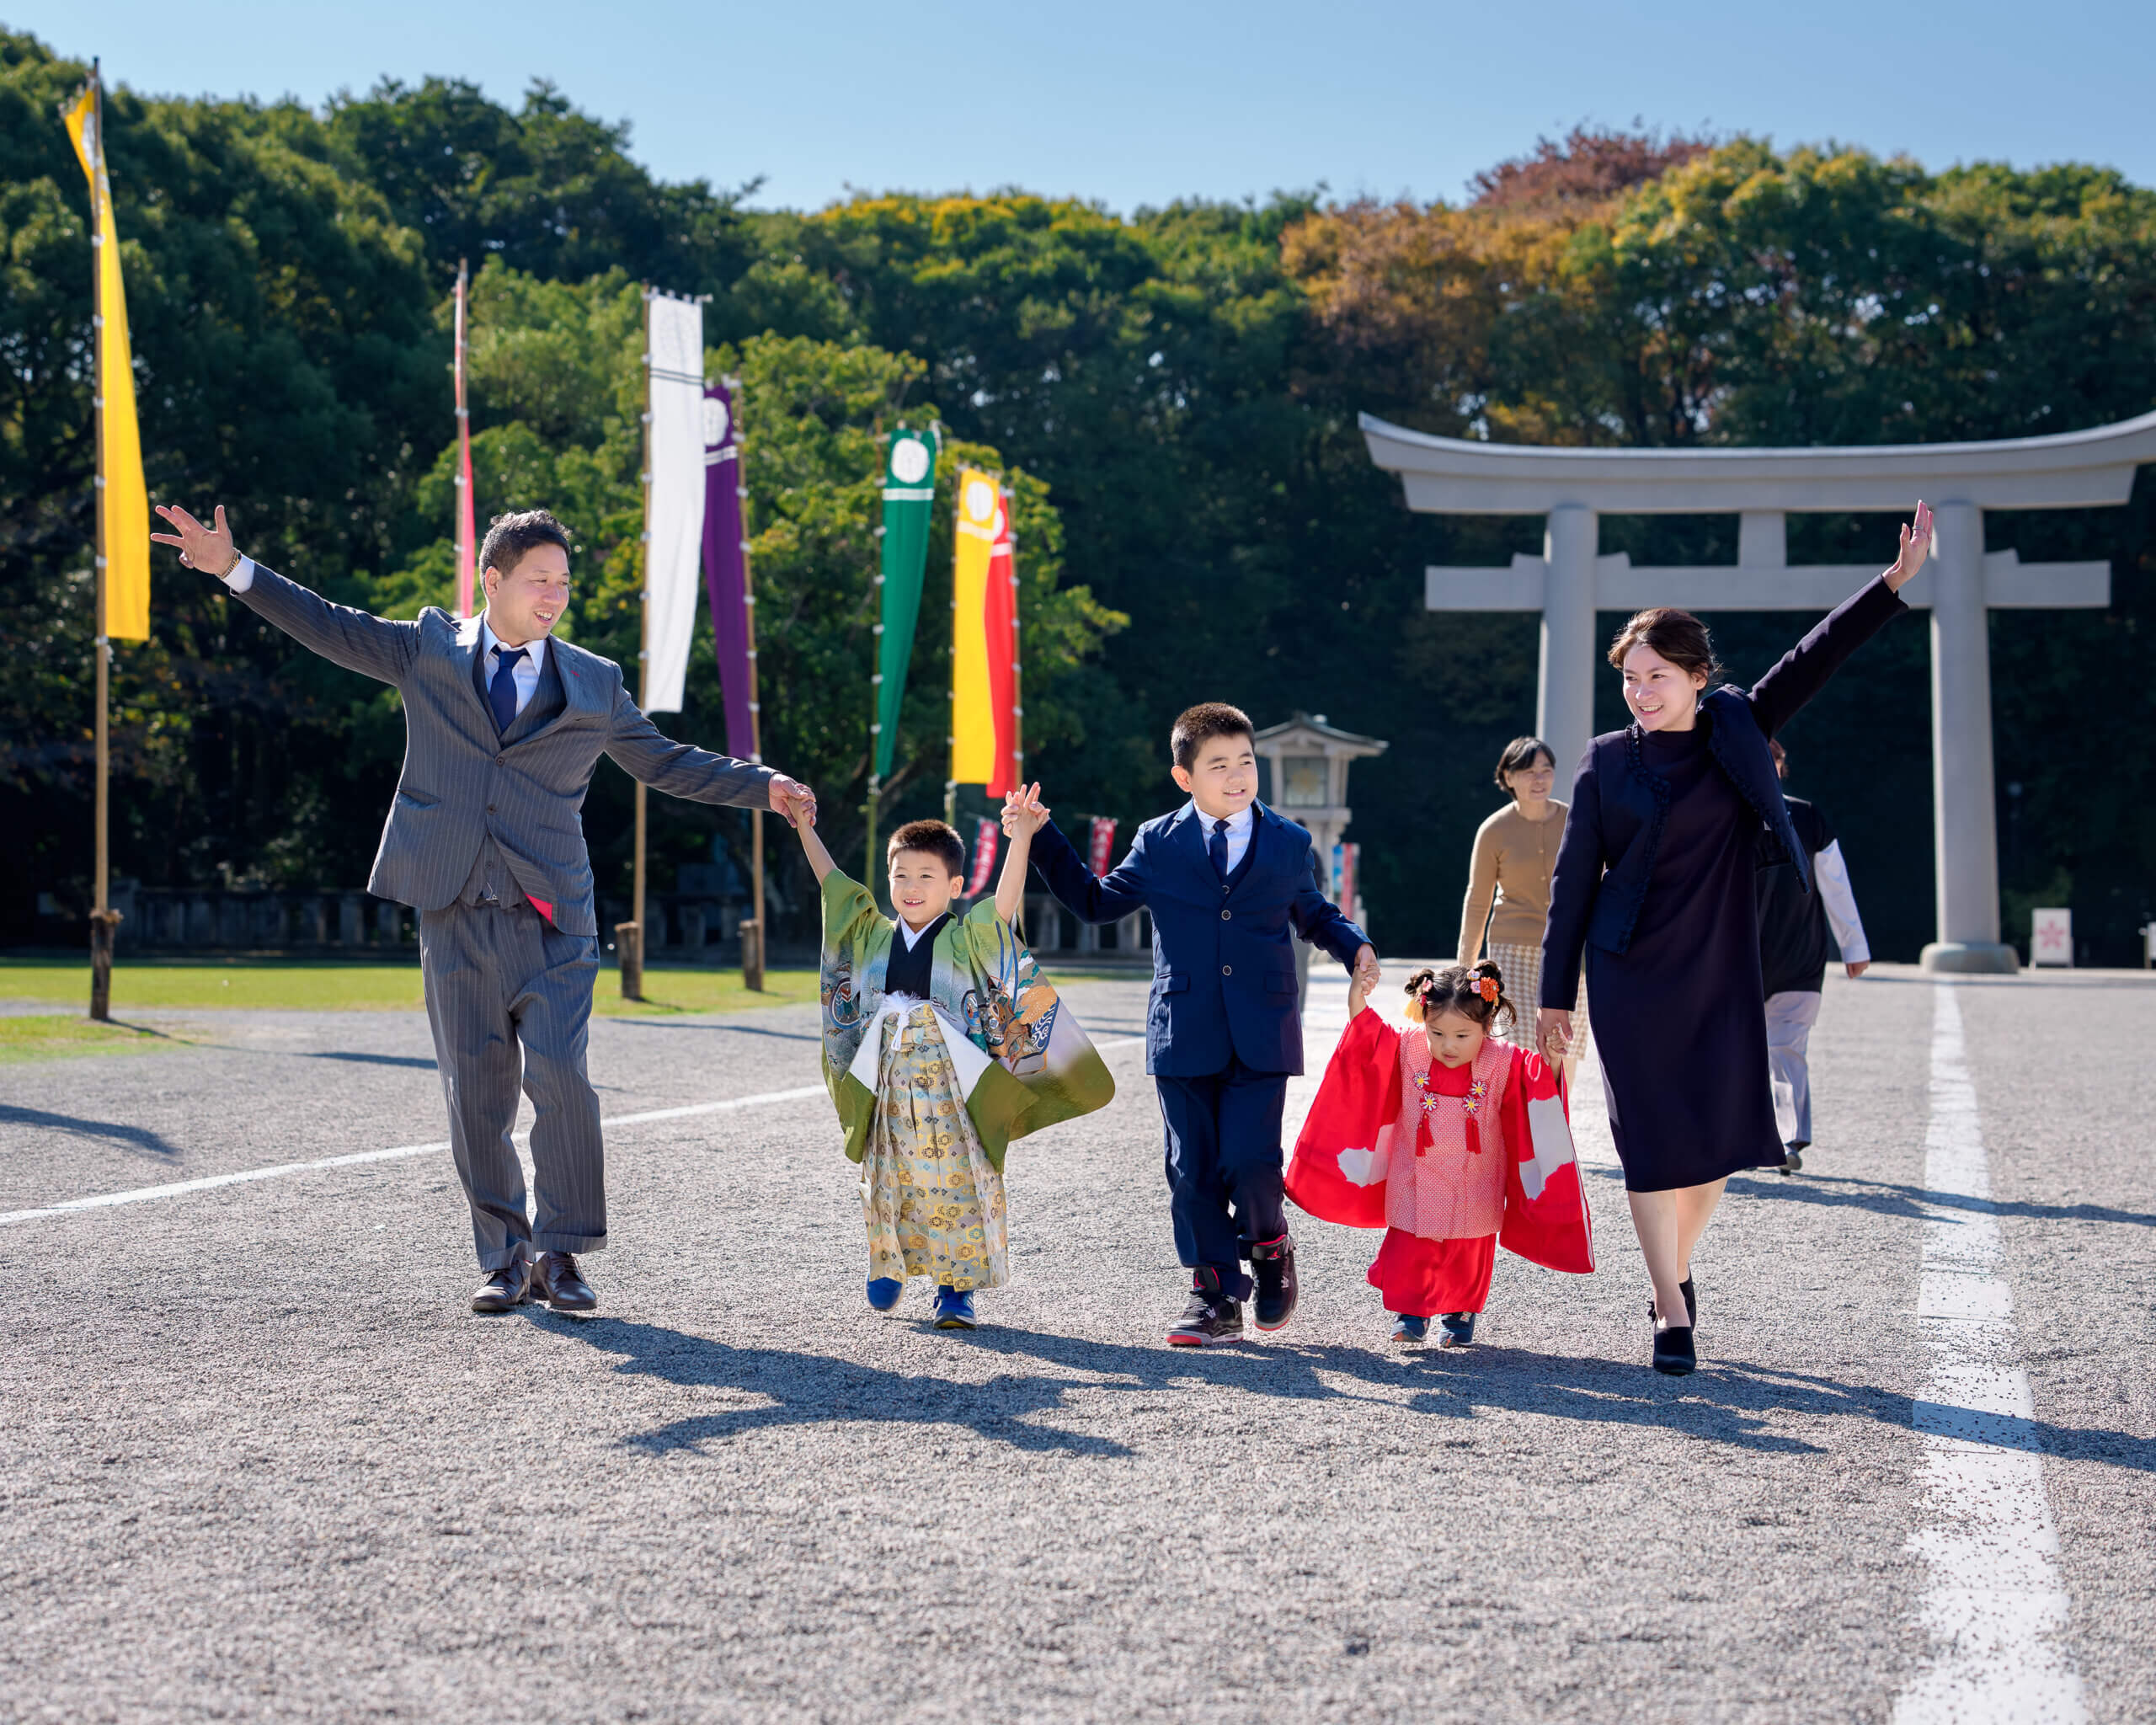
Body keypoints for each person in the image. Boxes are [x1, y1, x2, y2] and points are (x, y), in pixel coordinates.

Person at [151, 503, 816, 1316]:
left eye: (564, 582)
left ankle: (562, 1254)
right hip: (452, 903)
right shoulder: (426, 647)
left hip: (552, 913)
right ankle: (504, 1255)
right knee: (477, 1088)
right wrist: (233, 567)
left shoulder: (595, 682)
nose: (555, 595)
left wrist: (763, 785)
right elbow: (328, 625)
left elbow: (664, 763)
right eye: (540, 579)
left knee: (564, 1076)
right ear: (491, 580)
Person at [1538, 501, 1932, 1376]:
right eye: (1629, 678)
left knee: (1719, 1135)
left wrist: (1889, 586)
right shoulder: (1605, 760)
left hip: (1722, 963)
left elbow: (1813, 658)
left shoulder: (1736, 726)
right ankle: (1671, 1310)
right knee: (1645, 1137)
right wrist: (1555, 997)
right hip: (1629, 966)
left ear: (1695, 674)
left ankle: (1673, 1267)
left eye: (1655, 676)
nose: (1640, 691)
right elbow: (1572, 883)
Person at [1006, 703, 1380, 1347]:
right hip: (1181, 1028)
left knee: (1251, 1161)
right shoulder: (1158, 841)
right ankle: (1213, 1295)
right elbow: (1095, 902)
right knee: (1192, 1169)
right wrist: (1039, 836)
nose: (1237, 776)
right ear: (1185, 777)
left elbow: (1313, 913)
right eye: (1218, 766)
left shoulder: (1288, 842)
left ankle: (1269, 1247)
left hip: (1262, 1028)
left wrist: (1357, 948)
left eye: (1245, 762)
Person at [792, 801, 1113, 1330]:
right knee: (886, 1175)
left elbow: (1003, 905)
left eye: (926, 875)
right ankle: (889, 1263)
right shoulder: (873, 934)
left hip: (952, 1085)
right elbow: (833, 884)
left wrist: (1024, 837)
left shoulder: (965, 938)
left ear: (956, 885)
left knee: (960, 1181)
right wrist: (804, 826)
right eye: (901, 875)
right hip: (889, 1080)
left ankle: (955, 1289)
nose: (911, 886)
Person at [1284, 961, 1593, 1349]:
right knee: (1412, 1244)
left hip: (1476, 1179)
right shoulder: (1408, 1048)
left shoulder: (1504, 1061)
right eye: (1438, 1033)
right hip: (1415, 1174)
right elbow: (1369, 1045)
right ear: (1423, 1022)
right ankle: (1412, 1313)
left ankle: (1460, 1312)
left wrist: (1550, 1059)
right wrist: (1357, 1002)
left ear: (1487, 1024)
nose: (1449, 1045)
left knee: (1468, 1249)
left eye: (1463, 1034)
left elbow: (1536, 1093)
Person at [1756, 740, 1872, 1174]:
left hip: (1798, 957)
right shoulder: (1717, 817)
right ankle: (1745, 1138)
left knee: (1787, 1048)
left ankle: (1787, 1140)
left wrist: (1854, 946)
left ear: (1784, 768)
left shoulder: (1807, 817)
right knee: (1739, 1052)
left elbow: (1836, 884)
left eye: (1775, 761)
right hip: (1735, 963)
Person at [1458, 735, 1583, 1077]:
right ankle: (1522, 1126)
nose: (1539, 779)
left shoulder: (1576, 822)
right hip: (1513, 950)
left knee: (1564, 1044)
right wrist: (1465, 966)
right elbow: (1477, 900)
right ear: (1508, 777)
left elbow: (1596, 884)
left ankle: (1558, 1124)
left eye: (1546, 770)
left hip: (1570, 950)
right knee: (1524, 1045)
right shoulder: (1494, 830)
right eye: (1529, 771)